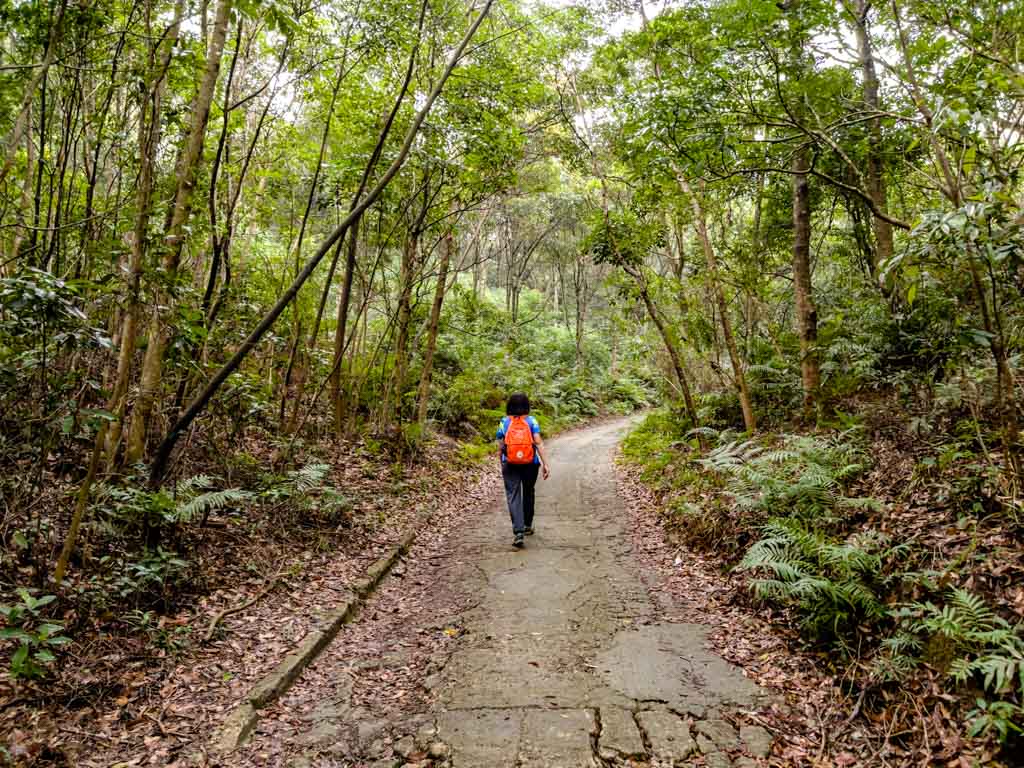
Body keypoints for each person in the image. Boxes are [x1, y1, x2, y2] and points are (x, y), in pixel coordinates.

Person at [496, 393, 550, 548]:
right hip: (530, 463)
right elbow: (538, 442)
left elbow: (500, 444)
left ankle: (518, 531)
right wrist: (545, 464)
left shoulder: (504, 422)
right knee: (528, 491)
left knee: (513, 495)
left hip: (510, 463)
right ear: (527, 406)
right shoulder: (532, 421)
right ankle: (527, 525)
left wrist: (501, 462)